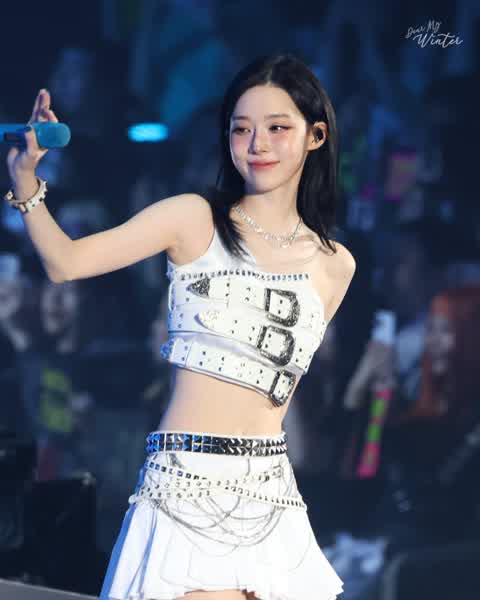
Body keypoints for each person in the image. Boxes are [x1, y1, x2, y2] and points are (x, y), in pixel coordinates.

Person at [5, 53, 356, 600]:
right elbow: (66, 262)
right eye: (241, 129)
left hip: (271, 500)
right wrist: (26, 181)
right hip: (184, 485)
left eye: (277, 128)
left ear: (316, 136)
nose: (257, 144)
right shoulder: (193, 218)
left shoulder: (336, 266)